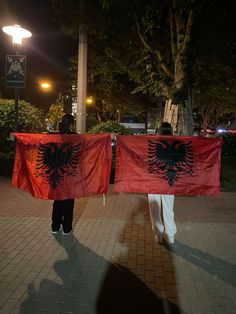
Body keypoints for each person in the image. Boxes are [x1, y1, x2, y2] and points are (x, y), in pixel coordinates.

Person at [148, 122, 176, 244]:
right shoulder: (177, 144)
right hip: (170, 181)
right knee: (169, 209)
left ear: (158, 131)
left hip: (153, 181)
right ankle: (171, 236)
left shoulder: (152, 143)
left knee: (155, 208)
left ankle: (158, 235)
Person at [51, 114, 76, 235]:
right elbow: (91, 142)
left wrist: (17, 137)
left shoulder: (54, 135)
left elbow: (36, 139)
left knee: (57, 201)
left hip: (55, 174)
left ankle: (55, 227)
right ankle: (67, 228)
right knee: (68, 201)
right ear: (71, 124)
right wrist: (109, 137)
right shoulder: (74, 137)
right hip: (69, 174)